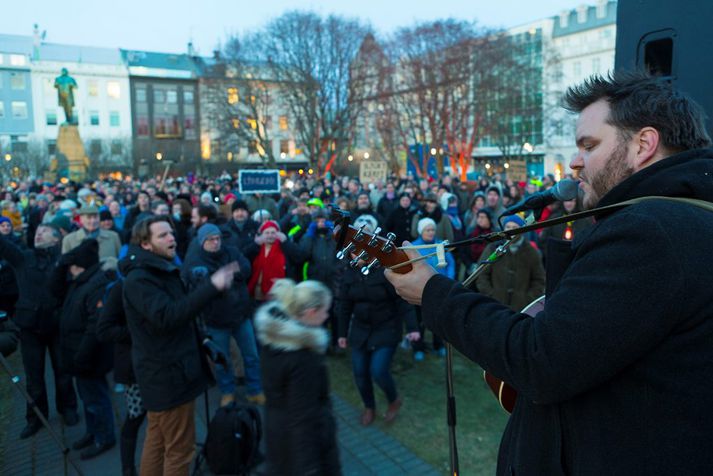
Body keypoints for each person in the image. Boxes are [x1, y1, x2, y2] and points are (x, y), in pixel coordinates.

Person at [385, 71, 713, 475]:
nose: (575, 161)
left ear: (643, 145)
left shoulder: (651, 231)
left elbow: (541, 359)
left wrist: (432, 292)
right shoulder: (683, 220)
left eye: (589, 145)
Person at [120, 216, 238, 476]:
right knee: (180, 450)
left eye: (171, 233)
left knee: (158, 440)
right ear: (145, 244)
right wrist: (212, 286)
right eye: (162, 235)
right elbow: (168, 316)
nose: (172, 238)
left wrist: (203, 340)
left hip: (167, 373)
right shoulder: (140, 279)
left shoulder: (160, 269)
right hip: (167, 376)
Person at [0, 223, 79, 439]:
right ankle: (36, 417)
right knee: (34, 376)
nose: (38, 235)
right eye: (36, 232)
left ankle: (68, 408)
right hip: (30, 327)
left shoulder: (62, 260)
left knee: (63, 370)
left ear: (56, 238)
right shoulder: (23, 258)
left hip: (57, 324)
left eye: (43, 232)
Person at [255, 279, 341, 475]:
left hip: (277, 433)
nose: (327, 315)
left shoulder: (273, 338)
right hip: (303, 447)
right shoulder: (303, 357)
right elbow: (303, 417)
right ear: (311, 312)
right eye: (325, 311)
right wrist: (309, 468)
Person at [336, 237, 420, 426]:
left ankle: (393, 400)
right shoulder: (349, 275)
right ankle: (369, 406)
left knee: (378, 370)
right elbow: (344, 306)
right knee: (359, 371)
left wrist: (413, 328)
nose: (357, 255)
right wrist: (341, 334)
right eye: (353, 252)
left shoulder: (384, 272)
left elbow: (402, 301)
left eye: (360, 251)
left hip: (386, 328)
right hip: (360, 329)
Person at [181, 224, 265, 407]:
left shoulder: (231, 251)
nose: (216, 242)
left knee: (251, 355)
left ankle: (255, 390)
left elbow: (246, 268)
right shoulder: (195, 260)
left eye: (218, 238)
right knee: (221, 360)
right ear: (202, 241)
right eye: (211, 239)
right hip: (215, 320)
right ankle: (227, 392)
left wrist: (224, 275)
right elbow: (198, 285)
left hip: (240, 316)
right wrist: (223, 276)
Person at [50, 239, 116, 459]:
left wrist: (82, 356)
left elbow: (94, 326)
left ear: (82, 265)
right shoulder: (80, 281)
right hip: (78, 355)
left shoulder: (94, 285)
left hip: (88, 357)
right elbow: (55, 289)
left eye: (72, 264)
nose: (69, 269)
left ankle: (104, 437)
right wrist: (60, 265)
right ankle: (93, 431)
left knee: (97, 398)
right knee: (88, 398)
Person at [475, 215, 545, 312]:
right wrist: (490, 295)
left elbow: (539, 280)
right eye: (508, 227)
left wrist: (528, 299)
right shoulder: (493, 248)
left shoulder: (531, 252)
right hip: (494, 305)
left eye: (514, 228)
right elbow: (481, 274)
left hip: (520, 308)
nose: (510, 231)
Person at [410, 218, 455, 361]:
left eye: (432, 230)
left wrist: (449, 279)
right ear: (421, 231)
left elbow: (451, 263)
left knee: (437, 318)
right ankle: (418, 346)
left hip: (440, 288)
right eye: (427, 230)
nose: (430, 233)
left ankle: (438, 345)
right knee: (419, 320)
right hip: (420, 289)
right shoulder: (414, 247)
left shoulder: (441, 244)